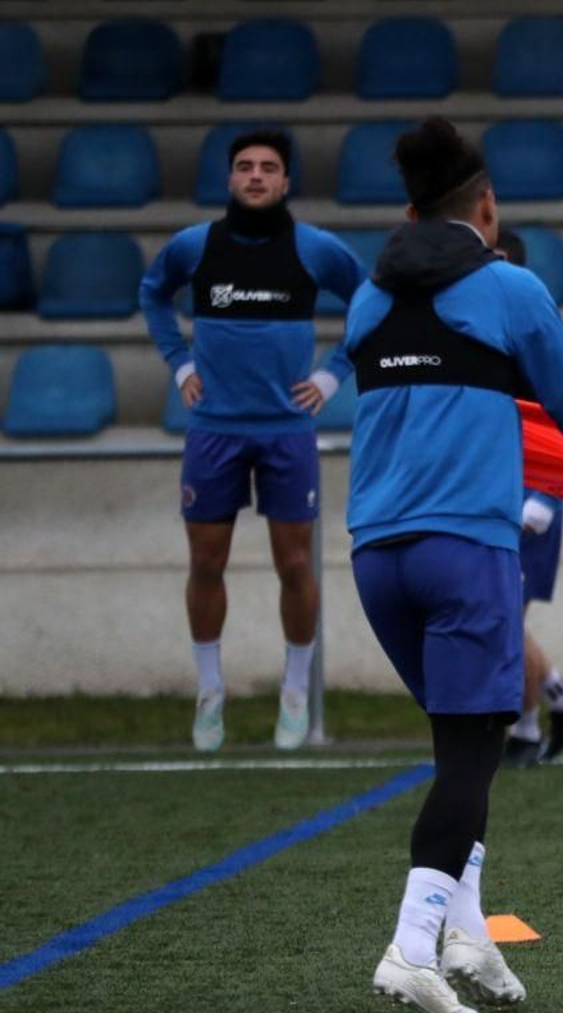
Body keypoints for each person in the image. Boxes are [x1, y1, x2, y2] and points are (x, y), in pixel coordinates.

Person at [343, 118, 563, 1013]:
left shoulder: (366, 303)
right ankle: (414, 947)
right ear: (485, 205)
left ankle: (468, 930)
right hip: (465, 550)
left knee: (467, 745)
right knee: (470, 751)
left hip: (376, 555)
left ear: (409, 205)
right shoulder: (509, 287)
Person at [140, 128, 366, 752]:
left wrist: (332, 373)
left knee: (294, 564)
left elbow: (372, 301)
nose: (257, 176)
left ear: (287, 181)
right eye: (245, 167)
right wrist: (180, 365)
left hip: (287, 433)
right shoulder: (195, 246)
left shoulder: (315, 249)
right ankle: (210, 693)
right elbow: (153, 294)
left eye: (269, 167)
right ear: (230, 179)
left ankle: (294, 695)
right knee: (206, 562)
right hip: (213, 430)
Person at [493, 229, 563, 768]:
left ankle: (531, 728)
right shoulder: (478, 331)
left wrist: (546, 497)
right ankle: (558, 701)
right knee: (502, 614)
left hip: (529, 497)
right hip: (492, 492)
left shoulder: (536, 333)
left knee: (504, 616)